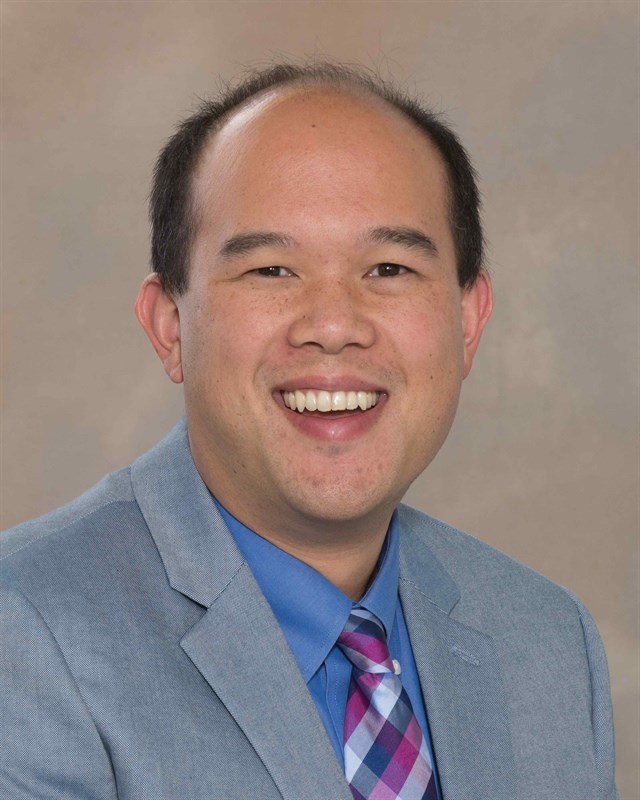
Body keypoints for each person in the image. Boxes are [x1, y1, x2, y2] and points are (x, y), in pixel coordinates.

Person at [0, 63, 617, 800]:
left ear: (467, 321)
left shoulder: (546, 644)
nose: (333, 326)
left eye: (388, 267)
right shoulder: (25, 633)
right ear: (170, 326)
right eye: (271, 270)